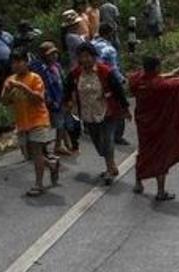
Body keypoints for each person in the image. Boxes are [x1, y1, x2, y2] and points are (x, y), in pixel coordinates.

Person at [127, 56, 179, 200]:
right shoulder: (162, 86)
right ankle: (160, 192)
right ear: (157, 67)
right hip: (160, 125)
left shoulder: (137, 80)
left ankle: (138, 183)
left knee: (143, 151)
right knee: (160, 156)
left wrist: (171, 74)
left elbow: (150, 79)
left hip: (143, 123)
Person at [65, 43, 130, 185]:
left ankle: (110, 168)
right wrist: (68, 102)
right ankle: (111, 163)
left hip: (107, 111)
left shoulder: (105, 71)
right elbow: (67, 88)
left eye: (87, 56)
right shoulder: (76, 73)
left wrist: (125, 108)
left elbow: (118, 90)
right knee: (98, 143)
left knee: (107, 140)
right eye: (82, 57)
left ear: (94, 57)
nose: (85, 59)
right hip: (88, 113)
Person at [3, 51, 60, 196]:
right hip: (22, 122)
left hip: (38, 119)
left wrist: (22, 87)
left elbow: (39, 98)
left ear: (26, 63)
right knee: (29, 155)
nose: (16, 65)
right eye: (13, 63)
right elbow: (4, 101)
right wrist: (8, 91)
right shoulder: (10, 80)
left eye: (19, 62)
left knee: (37, 151)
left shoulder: (35, 78)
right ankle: (52, 164)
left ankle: (38, 184)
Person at [32, 42, 72, 156]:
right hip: (47, 99)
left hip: (59, 98)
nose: (54, 56)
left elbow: (63, 82)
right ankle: (42, 149)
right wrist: (48, 99)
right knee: (44, 125)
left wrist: (67, 97)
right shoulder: (38, 69)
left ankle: (59, 144)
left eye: (55, 53)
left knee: (60, 123)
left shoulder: (57, 66)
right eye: (51, 54)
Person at [93, 23, 129, 145]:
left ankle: (99, 131)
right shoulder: (109, 49)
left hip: (95, 79)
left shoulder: (92, 44)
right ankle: (118, 135)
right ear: (109, 34)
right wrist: (122, 80)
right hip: (111, 80)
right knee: (119, 106)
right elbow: (113, 69)